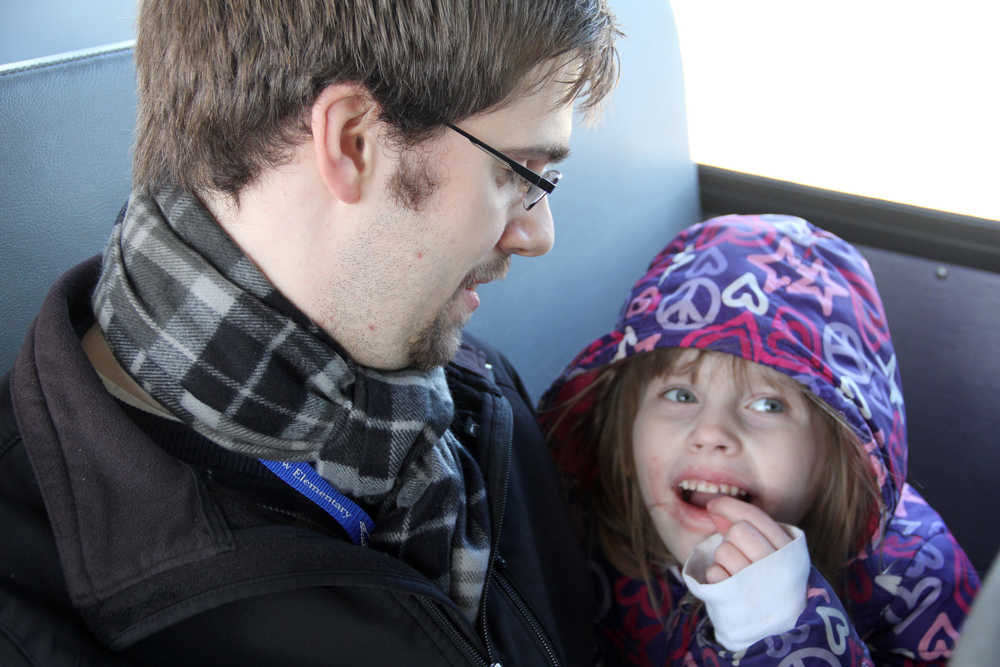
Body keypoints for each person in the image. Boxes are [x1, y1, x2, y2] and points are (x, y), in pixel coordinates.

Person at [0, 2, 621, 665]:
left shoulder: (477, 394)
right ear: (353, 141)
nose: (538, 234)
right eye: (520, 174)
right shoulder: (31, 616)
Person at [539, 214, 981, 665]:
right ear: (627, 432)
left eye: (768, 405)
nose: (712, 434)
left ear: (837, 450)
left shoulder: (916, 573)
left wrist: (783, 631)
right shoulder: (579, 538)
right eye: (680, 394)